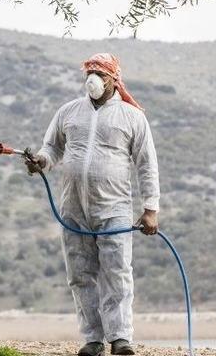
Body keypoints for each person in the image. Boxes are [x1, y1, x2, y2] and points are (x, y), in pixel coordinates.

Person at [24, 53, 160, 356]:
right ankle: (93, 339)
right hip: (73, 207)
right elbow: (51, 148)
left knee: (117, 271)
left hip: (115, 208)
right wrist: (40, 161)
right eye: (90, 73)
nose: (94, 79)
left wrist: (150, 209)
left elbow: (146, 164)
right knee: (80, 273)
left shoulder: (132, 117)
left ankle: (120, 338)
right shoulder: (69, 112)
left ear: (114, 79)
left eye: (100, 74)